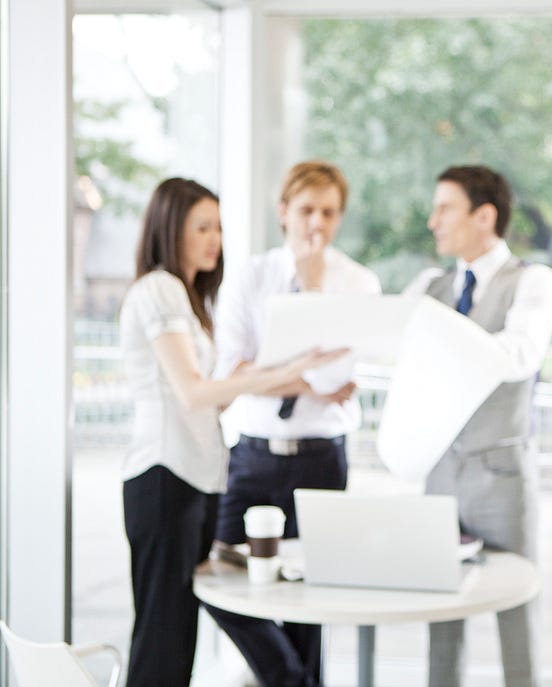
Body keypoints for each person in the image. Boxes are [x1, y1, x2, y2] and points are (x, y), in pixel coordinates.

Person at [119, 178, 342, 687]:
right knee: (162, 641)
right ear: (168, 228)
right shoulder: (160, 289)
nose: (214, 238)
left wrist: (295, 376)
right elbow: (197, 393)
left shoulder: (188, 299)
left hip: (192, 481)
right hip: (163, 478)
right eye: (201, 226)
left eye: (218, 226)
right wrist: (290, 371)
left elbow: (218, 388)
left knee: (177, 641)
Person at [204, 160, 382, 687]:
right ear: (283, 212)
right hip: (255, 453)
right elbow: (231, 372)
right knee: (220, 576)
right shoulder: (251, 276)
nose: (317, 224)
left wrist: (278, 368)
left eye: (329, 213)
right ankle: (290, 680)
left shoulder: (358, 283)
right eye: (306, 210)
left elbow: (346, 375)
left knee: (312, 591)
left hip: (322, 456)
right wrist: (306, 378)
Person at [403, 165, 552, 687]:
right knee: (441, 619)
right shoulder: (431, 284)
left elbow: (518, 355)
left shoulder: (533, 281)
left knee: (517, 616)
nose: (433, 222)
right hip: (439, 474)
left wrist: (437, 333)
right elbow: (396, 350)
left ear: (484, 216)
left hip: (502, 475)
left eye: (445, 208)